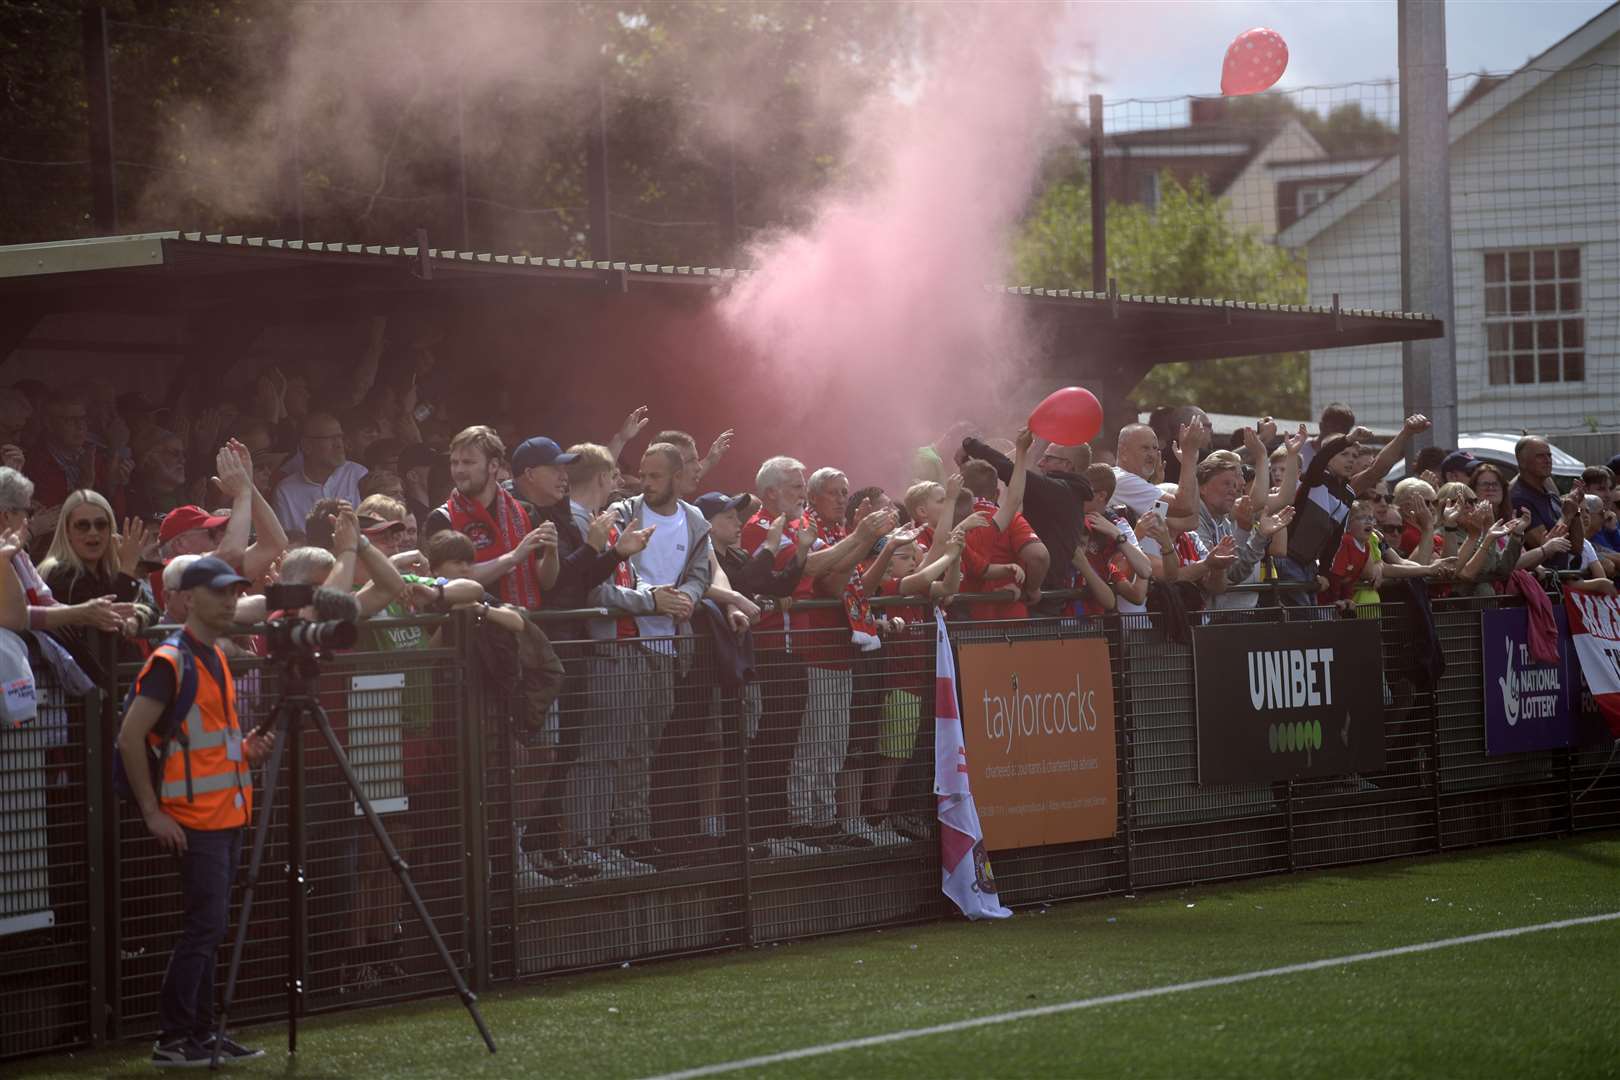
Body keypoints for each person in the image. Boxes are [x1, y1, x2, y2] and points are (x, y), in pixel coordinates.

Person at [116, 556, 272, 1067]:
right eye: (221, 591)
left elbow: (200, 741)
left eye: (234, 592)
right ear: (189, 598)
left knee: (208, 928)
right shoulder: (172, 659)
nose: (231, 600)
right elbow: (129, 737)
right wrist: (152, 812)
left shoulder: (211, 656)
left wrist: (243, 750)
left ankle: (201, 1035)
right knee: (203, 928)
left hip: (222, 815)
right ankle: (175, 1038)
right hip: (194, 820)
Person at [425, 426, 557, 608]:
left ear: (493, 465)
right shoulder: (441, 518)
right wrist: (513, 557)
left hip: (523, 624)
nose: (459, 470)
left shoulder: (525, 512)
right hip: (471, 627)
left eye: (468, 462)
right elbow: (447, 581)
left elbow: (546, 582)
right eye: (454, 462)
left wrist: (551, 552)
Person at [37, 489, 157, 678]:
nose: (93, 532)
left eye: (101, 525)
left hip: (114, 689)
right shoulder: (58, 573)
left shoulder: (108, 572)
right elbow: (108, 618)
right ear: (67, 531)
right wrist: (126, 569)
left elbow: (151, 608)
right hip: (81, 694)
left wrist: (135, 620)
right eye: (82, 526)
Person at [271, 413, 369, 533]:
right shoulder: (286, 492)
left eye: (340, 437)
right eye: (331, 438)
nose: (339, 444)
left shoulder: (358, 474)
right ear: (307, 445)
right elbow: (287, 542)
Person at [1509, 436, 1572, 571]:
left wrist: (1576, 509)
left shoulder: (1551, 493)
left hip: (1562, 580)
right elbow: (1549, 548)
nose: (1548, 460)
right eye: (1540, 456)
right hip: (1542, 583)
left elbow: (1577, 547)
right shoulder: (1519, 498)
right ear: (1522, 462)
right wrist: (1568, 515)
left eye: (1549, 455)